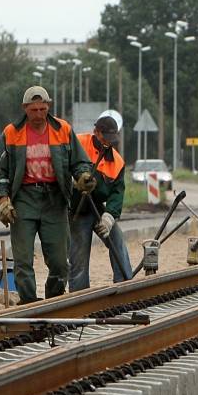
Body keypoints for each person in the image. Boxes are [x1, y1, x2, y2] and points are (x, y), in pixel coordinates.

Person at [0, 86, 95, 304]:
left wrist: (84, 176)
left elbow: (79, 161)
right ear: (25, 109)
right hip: (24, 200)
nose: (38, 114)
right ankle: (29, 303)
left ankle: (53, 301)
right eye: (34, 110)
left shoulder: (63, 130)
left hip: (54, 199)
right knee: (23, 260)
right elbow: (0, 171)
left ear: (48, 106)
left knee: (60, 262)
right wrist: (3, 198)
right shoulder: (11, 133)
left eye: (42, 109)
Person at [69, 110, 131, 289]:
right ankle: (79, 296)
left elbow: (117, 192)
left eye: (111, 139)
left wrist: (109, 217)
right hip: (76, 208)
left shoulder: (117, 162)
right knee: (79, 256)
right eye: (105, 137)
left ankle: (125, 285)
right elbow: (60, 163)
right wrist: (72, 181)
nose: (108, 143)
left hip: (96, 207)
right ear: (96, 132)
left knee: (117, 240)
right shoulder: (79, 143)